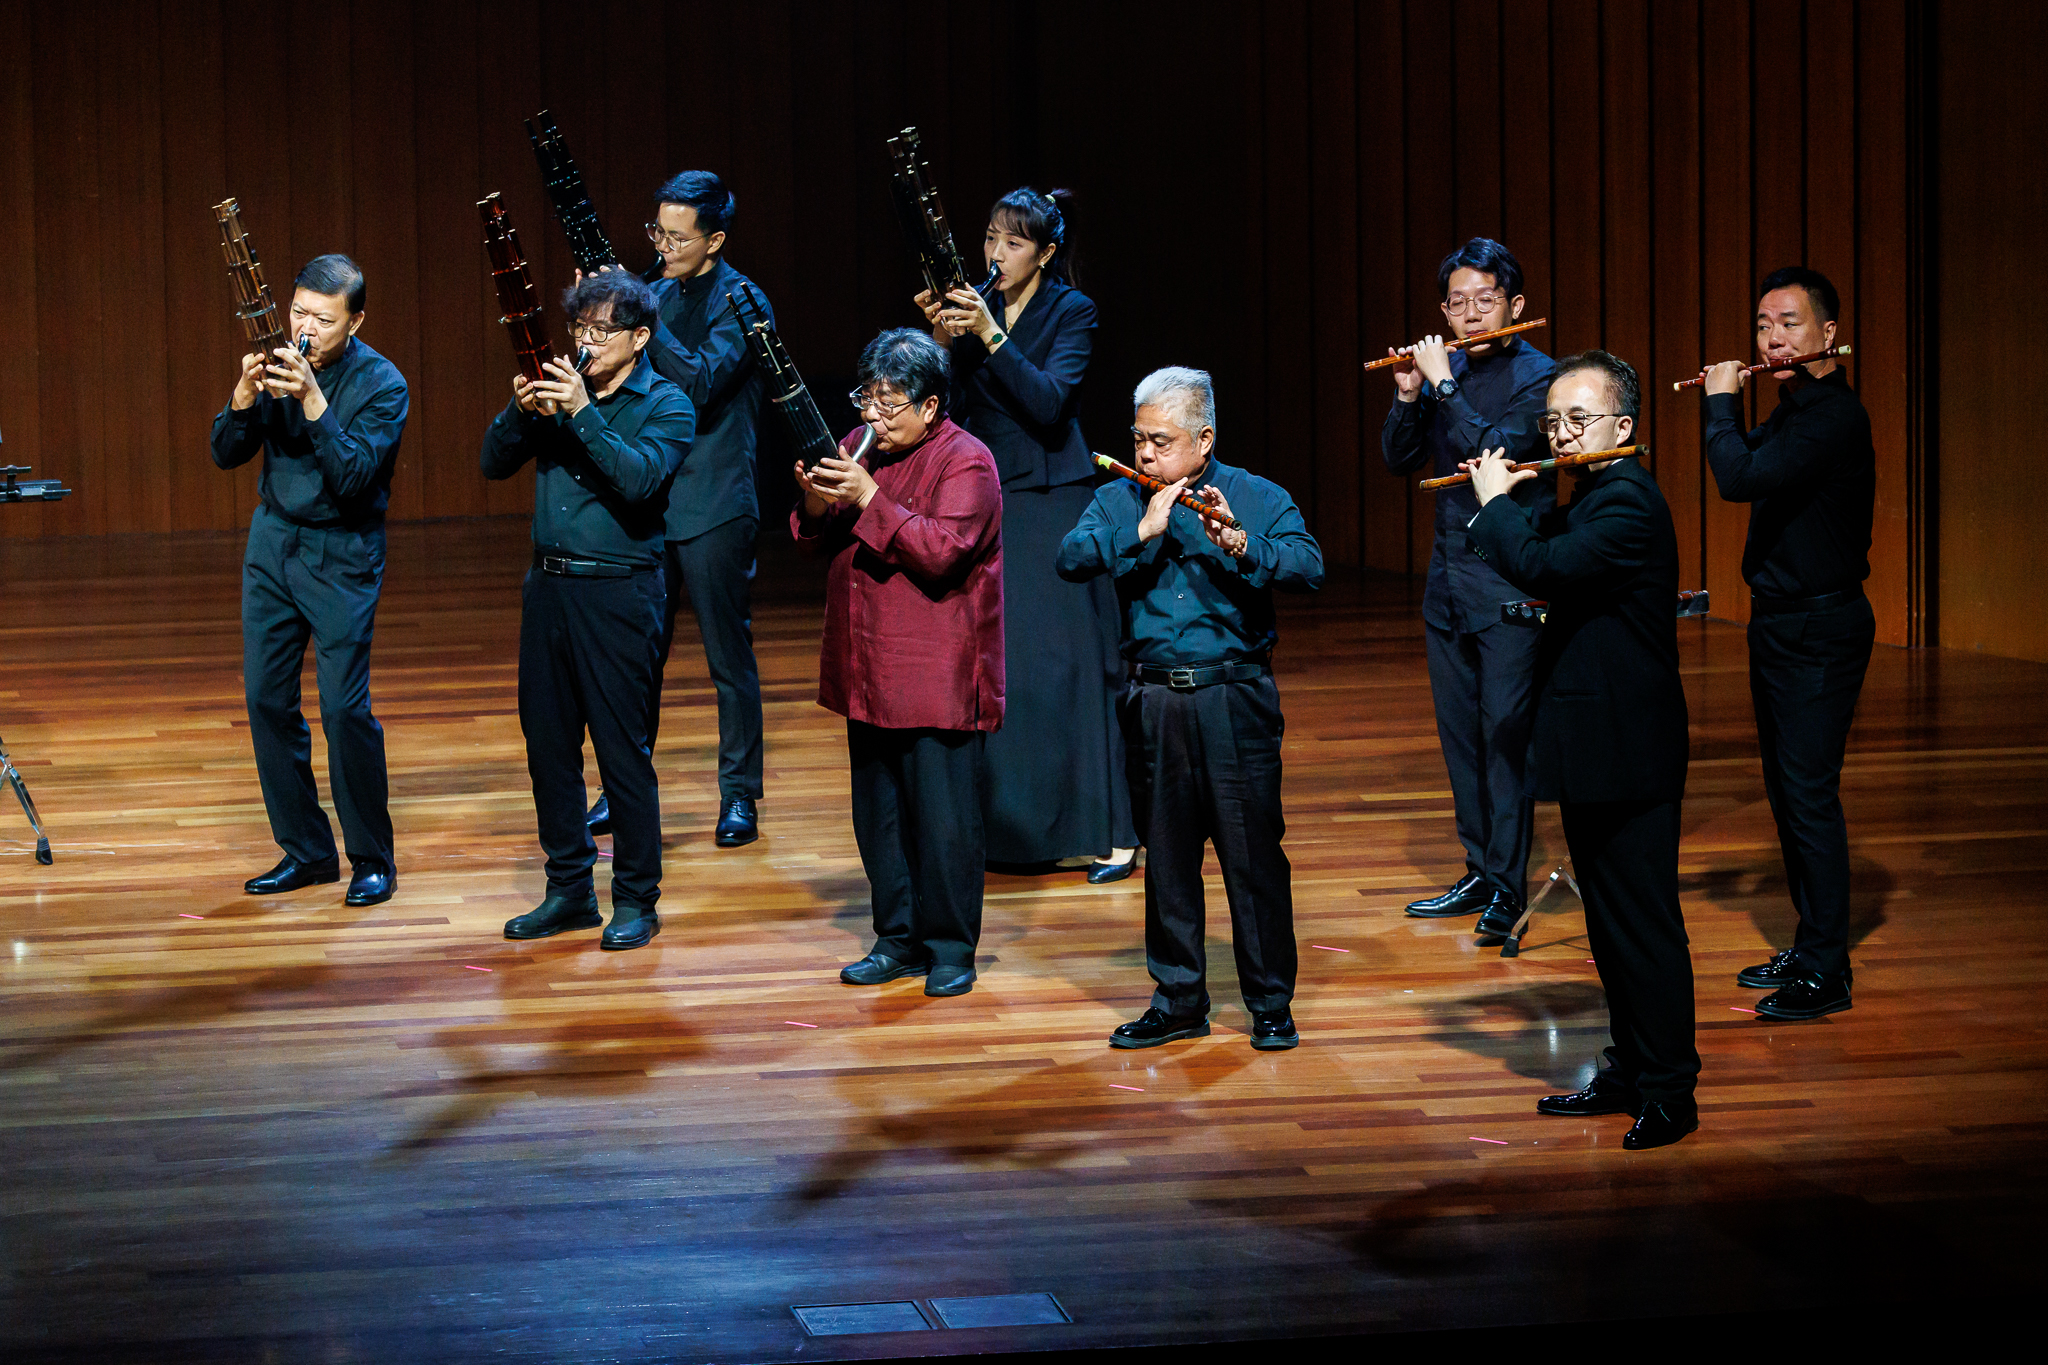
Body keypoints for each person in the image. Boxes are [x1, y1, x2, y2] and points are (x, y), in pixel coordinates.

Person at [1465, 350, 1700, 1150]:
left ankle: (1671, 1089)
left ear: (1623, 426)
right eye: (1553, 421)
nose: (1561, 434)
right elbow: (1542, 545)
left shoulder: (1627, 500)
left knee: (1643, 924)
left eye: (1579, 419)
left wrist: (1494, 502)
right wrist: (1511, 501)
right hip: (1598, 745)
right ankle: (1633, 1068)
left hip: (1630, 748)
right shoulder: (1592, 495)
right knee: (1610, 923)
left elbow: (1544, 563)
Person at [1058, 367, 1324, 1050]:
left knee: (1252, 856)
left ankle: (1270, 1003)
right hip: (1152, 701)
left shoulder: (1256, 495)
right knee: (1168, 860)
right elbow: (1071, 557)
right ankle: (1178, 1000)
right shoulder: (1118, 499)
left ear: (1204, 439)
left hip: (1235, 698)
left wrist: (1242, 543)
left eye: (1162, 441)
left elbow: (1308, 566)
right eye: (1139, 439)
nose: (1145, 454)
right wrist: (1141, 530)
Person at [919, 188, 1136, 881]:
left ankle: (1109, 831)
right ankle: (1012, 831)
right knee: (999, 666)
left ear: (1044, 254)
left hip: (1050, 497)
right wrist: (938, 343)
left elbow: (1048, 403)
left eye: (1013, 243)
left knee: (1067, 666)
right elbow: (943, 408)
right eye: (990, 238)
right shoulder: (975, 310)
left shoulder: (1073, 310)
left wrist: (990, 334)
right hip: (985, 493)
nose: (996, 254)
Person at [483, 274, 695, 951]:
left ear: (640, 337)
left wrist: (580, 413)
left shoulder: (667, 404)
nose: (587, 342)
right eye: (580, 329)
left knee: (621, 753)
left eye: (602, 331)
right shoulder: (558, 393)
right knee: (548, 747)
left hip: (620, 595)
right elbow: (491, 462)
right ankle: (570, 890)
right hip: (547, 590)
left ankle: (636, 899)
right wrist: (521, 411)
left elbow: (639, 480)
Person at [794, 329, 1003, 998]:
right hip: (867, 663)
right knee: (878, 815)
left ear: (931, 406)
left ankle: (951, 948)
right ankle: (897, 939)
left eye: (889, 404)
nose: (873, 417)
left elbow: (941, 552)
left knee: (944, 821)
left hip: (935, 670)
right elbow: (813, 537)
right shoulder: (862, 449)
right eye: (867, 399)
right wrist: (815, 499)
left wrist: (865, 498)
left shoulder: (968, 462)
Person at [1697, 266, 1875, 1021]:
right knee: (1786, 792)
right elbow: (1752, 460)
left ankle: (1827, 969)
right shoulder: (1795, 408)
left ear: (1828, 333)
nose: (1772, 339)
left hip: (1819, 628)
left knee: (1808, 796)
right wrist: (1736, 405)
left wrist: (1718, 402)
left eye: (1789, 324)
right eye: (1764, 325)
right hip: (1781, 623)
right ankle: (1809, 945)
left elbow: (1736, 476)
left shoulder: (1830, 418)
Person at [209, 254, 408, 908]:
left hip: (341, 550)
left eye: (323, 319)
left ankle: (371, 858)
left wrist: (312, 399)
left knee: (345, 710)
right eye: (299, 312)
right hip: (273, 541)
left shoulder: (383, 385)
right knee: (266, 699)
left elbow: (353, 478)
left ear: (356, 322)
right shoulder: (275, 366)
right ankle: (307, 850)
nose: (305, 329)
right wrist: (243, 398)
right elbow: (225, 452)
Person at [585, 171, 770, 849]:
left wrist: (644, 318)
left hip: (715, 498)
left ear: (714, 240)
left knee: (727, 656)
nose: (661, 247)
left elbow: (700, 383)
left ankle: (739, 794)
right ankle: (621, 786)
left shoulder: (743, 300)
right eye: (656, 233)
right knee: (636, 655)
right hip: (650, 499)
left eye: (676, 237)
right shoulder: (653, 289)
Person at [1381, 238, 1555, 936]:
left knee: (1504, 736)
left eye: (1486, 300)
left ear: (1515, 305)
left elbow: (1495, 453)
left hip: (1509, 584)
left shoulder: (1541, 377)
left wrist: (1443, 388)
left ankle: (1508, 886)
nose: (1472, 315)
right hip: (1448, 582)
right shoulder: (1441, 369)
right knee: (1461, 739)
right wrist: (1408, 393)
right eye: (1458, 303)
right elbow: (1399, 458)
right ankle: (1480, 868)